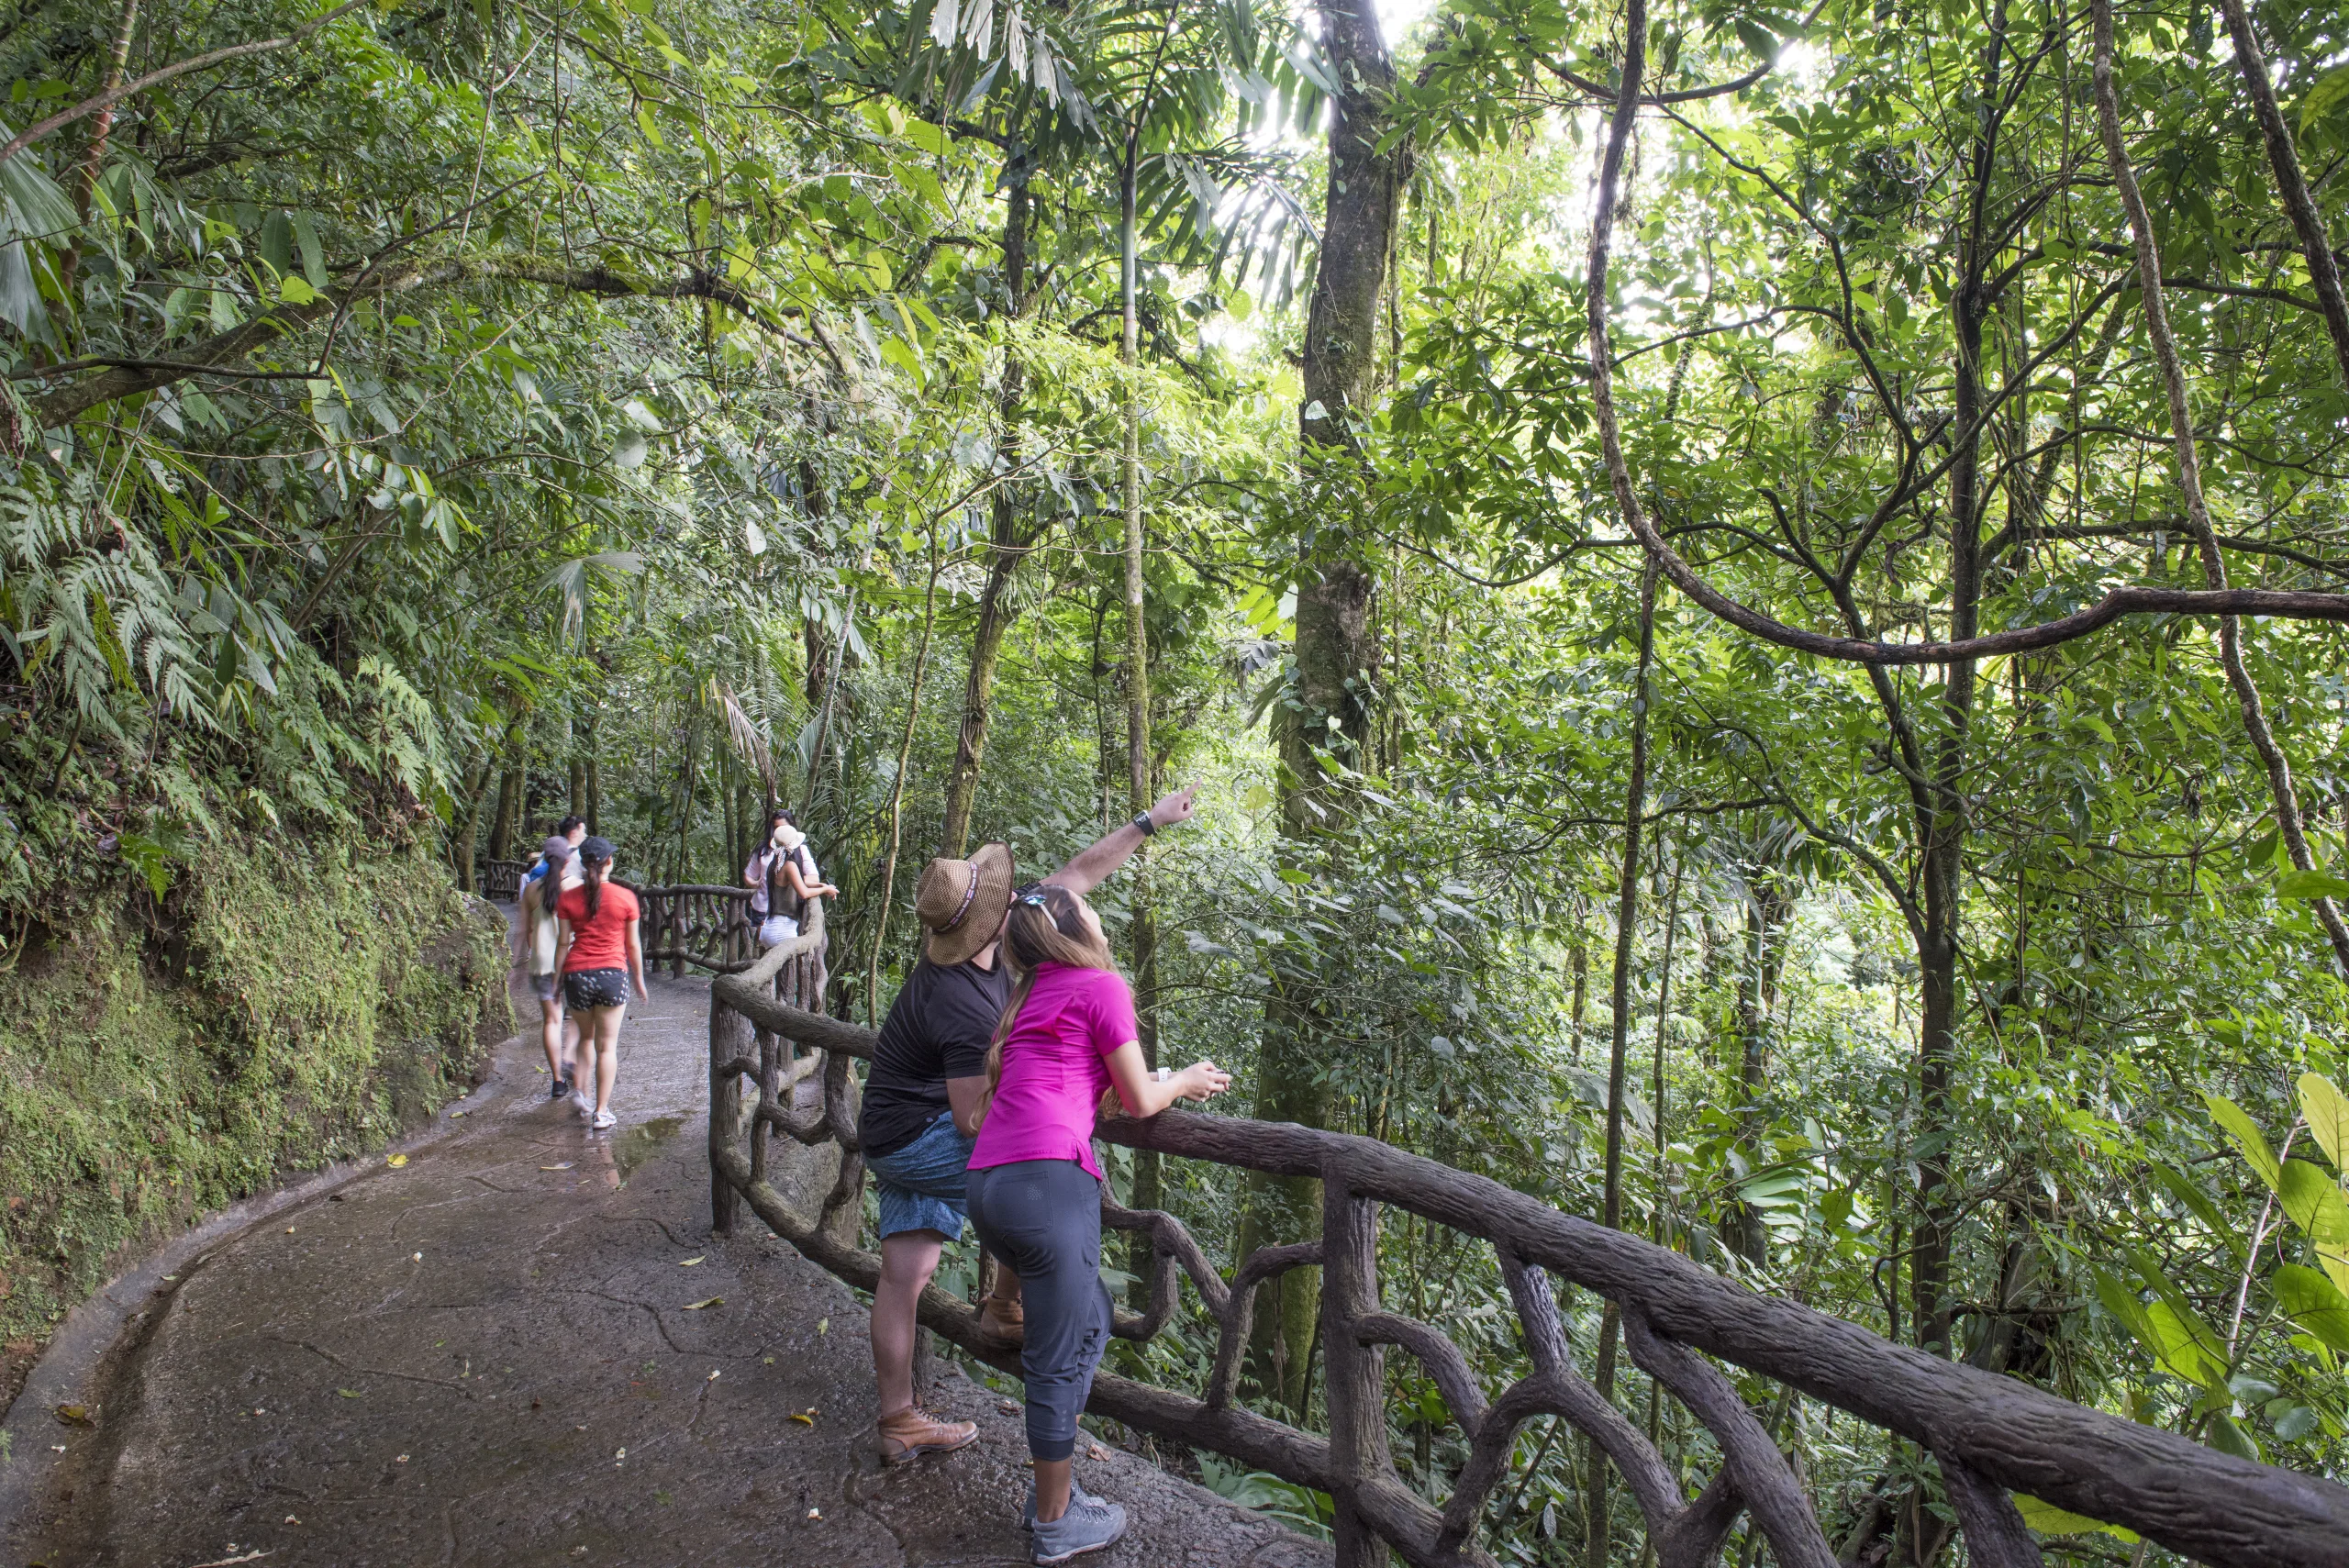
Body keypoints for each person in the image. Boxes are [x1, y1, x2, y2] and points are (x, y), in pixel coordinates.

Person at [857, 788, 1196, 1467]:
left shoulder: (1004, 940)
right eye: (1001, 899)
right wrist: (1089, 1096)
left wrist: (1148, 822)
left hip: (885, 1129)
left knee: (903, 1273)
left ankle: (897, 1421)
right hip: (916, 1136)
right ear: (987, 926)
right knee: (1034, 1164)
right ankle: (1007, 1312)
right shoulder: (961, 1001)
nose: (1017, 898)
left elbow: (1076, 876)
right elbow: (973, 1118)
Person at [966, 881, 1229, 1563]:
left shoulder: (1027, 995)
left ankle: (1055, 1491)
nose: (1098, 913)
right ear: (1073, 929)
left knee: (1092, 1317)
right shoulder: (1101, 984)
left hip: (989, 1185)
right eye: (1088, 907)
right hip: (1048, 1186)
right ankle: (1055, 1521)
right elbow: (1138, 1099)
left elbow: (1080, 1077)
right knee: (1056, 1359)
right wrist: (1184, 1082)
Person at [553, 836, 648, 1131]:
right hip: (612, 975)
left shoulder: (567, 898)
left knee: (585, 1039)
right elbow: (632, 946)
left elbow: (562, 943)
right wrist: (639, 979)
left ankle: (582, 1094)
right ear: (609, 862)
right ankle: (601, 1112)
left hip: (577, 976)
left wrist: (557, 980)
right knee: (607, 1047)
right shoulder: (626, 897)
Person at [514, 835, 583, 1100]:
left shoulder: (531, 889)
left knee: (552, 1021)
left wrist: (517, 966)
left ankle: (557, 1081)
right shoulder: (576, 886)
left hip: (542, 962)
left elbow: (525, 931)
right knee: (578, 1018)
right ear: (567, 860)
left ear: (544, 859)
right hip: (574, 960)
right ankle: (570, 1058)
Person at [761, 812, 836, 947]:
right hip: (782, 930)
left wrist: (821, 885)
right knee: (796, 957)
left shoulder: (775, 863)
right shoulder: (789, 865)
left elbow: (797, 881)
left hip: (769, 926)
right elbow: (804, 893)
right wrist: (826, 889)